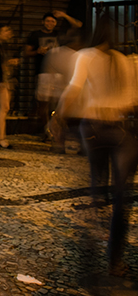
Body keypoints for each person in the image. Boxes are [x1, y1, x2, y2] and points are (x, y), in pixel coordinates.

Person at [55, 16, 138, 277]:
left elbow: (73, 89)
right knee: (122, 197)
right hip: (121, 130)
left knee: (98, 185)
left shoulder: (86, 56)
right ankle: (115, 261)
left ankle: (93, 236)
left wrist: (57, 117)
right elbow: (132, 100)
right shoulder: (124, 61)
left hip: (92, 128)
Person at [26, 11, 81, 128]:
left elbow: (78, 25)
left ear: (56, 23)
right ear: (42, 22)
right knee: (43, 103)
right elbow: (27, 52)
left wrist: (65, 16)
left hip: (59, 73)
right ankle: (46, 129)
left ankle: (55, 127)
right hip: (42, 71)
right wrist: (37, 51)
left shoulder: (59, 34)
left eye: (52, 21)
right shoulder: (35, 35)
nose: (49, 23)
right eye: (47, 21)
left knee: (59, 102)